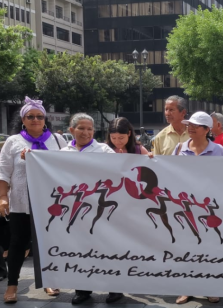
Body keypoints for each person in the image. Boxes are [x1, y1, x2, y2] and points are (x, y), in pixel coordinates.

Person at [0, 97, 67, 303]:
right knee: (18, 243)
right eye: (30, 116)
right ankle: (12, 284)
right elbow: (2, 172)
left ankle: (48, 279)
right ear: (23, 119)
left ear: (45, 118)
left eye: (39, 116)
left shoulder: (57, 141)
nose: (35, 120)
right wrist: (2, 197)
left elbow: (69, 166)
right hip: (21, 203)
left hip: (51, 203)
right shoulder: (13, 142)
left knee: (48, 243)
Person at [61, 113, 122, 305]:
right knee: (80, 249)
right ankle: (82, 289)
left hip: (100, 209)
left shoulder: (104, 150)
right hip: (76, 210)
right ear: (72, 131)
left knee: (106, 248)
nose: (85, 132)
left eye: (89, 129)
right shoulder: (61, 154)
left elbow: (121, 168)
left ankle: (115, 287)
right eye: (81, 128)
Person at [171, 111, 223, 304]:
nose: (190, 128)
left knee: (209, 245)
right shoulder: (178, 149)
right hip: (184, 207)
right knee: (185, 246)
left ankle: (210, 286)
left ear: (207, 130)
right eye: (189, 124)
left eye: (195, 125)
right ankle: (187, 288)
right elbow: (168, 171)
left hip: (208, 207)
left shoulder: (218, 151)